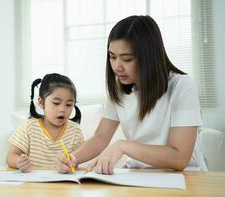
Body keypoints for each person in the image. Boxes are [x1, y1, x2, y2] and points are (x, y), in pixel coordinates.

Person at [57, 15, 207, 174]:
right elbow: (100, 138)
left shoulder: (182, 85)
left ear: (149, 56)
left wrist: (123, 146)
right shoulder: (119, 89)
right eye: (112, 57)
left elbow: (179, 158)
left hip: (183, 176)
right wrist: (72, 158)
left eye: (127, 59)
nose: (116, 67)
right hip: (138, 173)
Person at [7, 73, 84, 172]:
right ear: (41, 103)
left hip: (64, 185)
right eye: (56, 103)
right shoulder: (29, 127)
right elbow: (10, 157)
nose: (62, 109)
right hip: (33, 185)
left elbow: (77, 163)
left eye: (69, 104)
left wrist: (71, 164)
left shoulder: (75, 131)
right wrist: (19, 162)